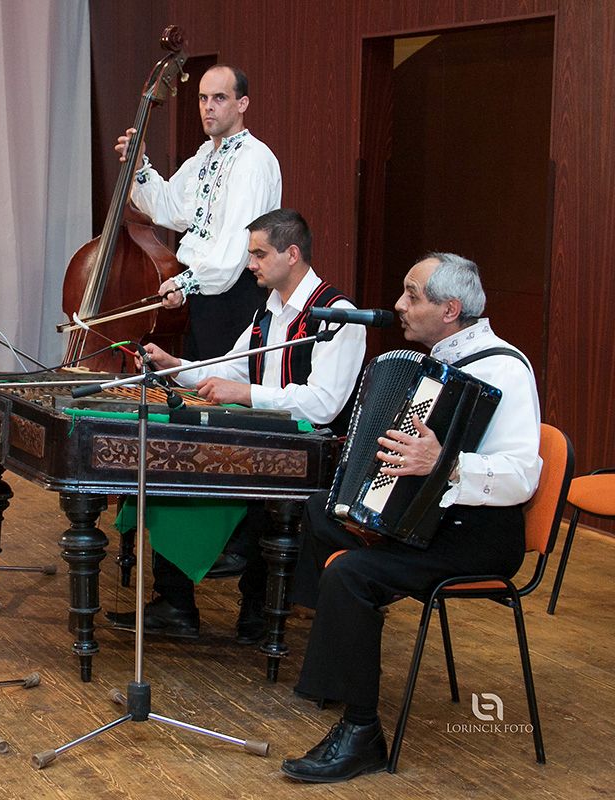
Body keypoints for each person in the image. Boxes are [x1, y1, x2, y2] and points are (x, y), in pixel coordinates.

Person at [280, 253, 542, 783]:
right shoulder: (431, 365)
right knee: (322, 508)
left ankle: (362, 733)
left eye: (412, 295)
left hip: (476, 537)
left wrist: (445, 465)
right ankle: (339, 663)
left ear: (450, 309)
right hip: (429, 524)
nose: (399, 304)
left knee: (350, 574)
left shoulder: (504, 369)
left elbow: (521, 477)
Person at [110, 209, 366, 641]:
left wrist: (247, 395)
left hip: (312, 452)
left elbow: (323, 405)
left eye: (259, 254)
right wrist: (174, 366)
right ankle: (176, 604)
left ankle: (245, 587)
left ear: (292, 254)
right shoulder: (268, 310)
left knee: (192, 468)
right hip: (262, 442)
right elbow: (232, 369)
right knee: (168, 462)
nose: (250, 264)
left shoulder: (338, 315)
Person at [115, 64, 282, 360]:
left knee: (220, 384)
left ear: (242, 103)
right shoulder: (204, 155)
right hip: (201, 295)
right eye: (203, 98)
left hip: (233, 296)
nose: (208, 107)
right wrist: (139, 167)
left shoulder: (254, 160)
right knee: (196, 381)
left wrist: (186, 282)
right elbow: (170, 207)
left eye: (219, 98)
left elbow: (236, 244)